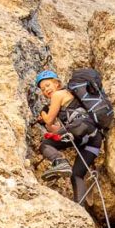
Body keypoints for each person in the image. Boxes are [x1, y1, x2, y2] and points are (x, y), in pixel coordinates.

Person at [35, 69, 104, 204]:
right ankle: (80, 207)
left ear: (57, 84)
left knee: (45, 144)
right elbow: (57, 130)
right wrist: (49, 126)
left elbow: (49, 120)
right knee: (77, 175)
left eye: (48, 85)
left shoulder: (59, 94)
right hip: (93, 139)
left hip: (80, 128)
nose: (46, 90)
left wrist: (43, 112)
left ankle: (60, 162)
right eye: (43, 89)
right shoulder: (69, 97)